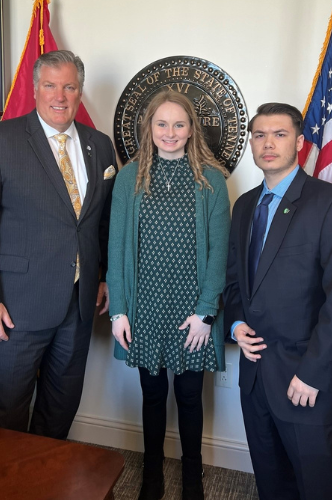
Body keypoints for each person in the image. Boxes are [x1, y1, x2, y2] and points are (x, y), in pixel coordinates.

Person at [107, 89, 231, 500]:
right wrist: (118, 311)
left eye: (179, 124)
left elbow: (218, 252)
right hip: (145, 306)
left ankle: (192, 479)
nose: (170, 132)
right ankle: (152, 477)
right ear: (150, 128)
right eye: (162, 123)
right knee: (153, 394)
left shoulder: (211, 180)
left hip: (192, 311)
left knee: (190, 396)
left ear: (192, 128)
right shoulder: (131, 176)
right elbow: (116, 246)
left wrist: (206, 311)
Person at [225, 103, 332, 500]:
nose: (268, 143)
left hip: (304, 379)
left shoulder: (328, 202)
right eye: (259, 135)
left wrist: (314, 373)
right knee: (270, 481)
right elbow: (235, 281)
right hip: (254, 376)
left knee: (314, 483)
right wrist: (235, 324)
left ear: (301, 143)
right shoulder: (243, 206)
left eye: (279, 134)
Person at [0, 50, 116, 441]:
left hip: (79, 304)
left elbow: (102, 223)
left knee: (61, 404)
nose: (60, 95)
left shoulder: (99, 146)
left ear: (80, 91)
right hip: (18, 306)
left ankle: (43, 483)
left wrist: (102, 277)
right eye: (50, 85)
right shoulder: (5, 139)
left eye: (69, 86)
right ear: (35, 89)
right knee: (7, 407)